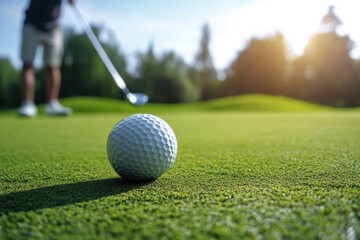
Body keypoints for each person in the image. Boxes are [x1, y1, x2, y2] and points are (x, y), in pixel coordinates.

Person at [17, 0, 75, 117]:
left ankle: (52, 104)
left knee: (53, 66)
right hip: (32, 23)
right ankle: (27, 104)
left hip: (53, 26)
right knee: (28, 64)